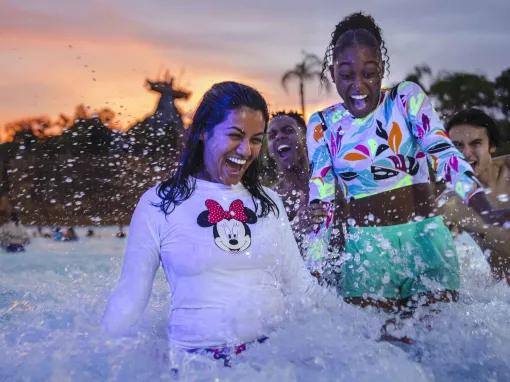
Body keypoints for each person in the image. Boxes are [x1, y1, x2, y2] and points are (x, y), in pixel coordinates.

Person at [102, 82, 329, 366]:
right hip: (196, 367)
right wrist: (102, 356)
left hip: (273, 363)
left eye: (257, 139)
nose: (246, 151)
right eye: (235, 135)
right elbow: (130, 296)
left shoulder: (269, 202)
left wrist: (357, 328)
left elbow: (301, 286)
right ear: (202, 132)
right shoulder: (160, 203)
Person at [307, 12, 510, 313]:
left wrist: (486, 209)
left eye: (369, 72)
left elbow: (446, 155)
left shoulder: (405, 99)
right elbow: (321, 204)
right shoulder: (323, 124)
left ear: (382, 69)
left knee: (437, 346)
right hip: (367, 249)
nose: (358, 85)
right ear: (332, 73)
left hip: (426, 239)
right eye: (347, 75)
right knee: (377, 351)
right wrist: (312, 270)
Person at [440, 108, 510, 284]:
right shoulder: (452, 204)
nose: (466, 154)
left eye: (476, 143)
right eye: (458, 145)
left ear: (491, 146)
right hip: (503, 300)